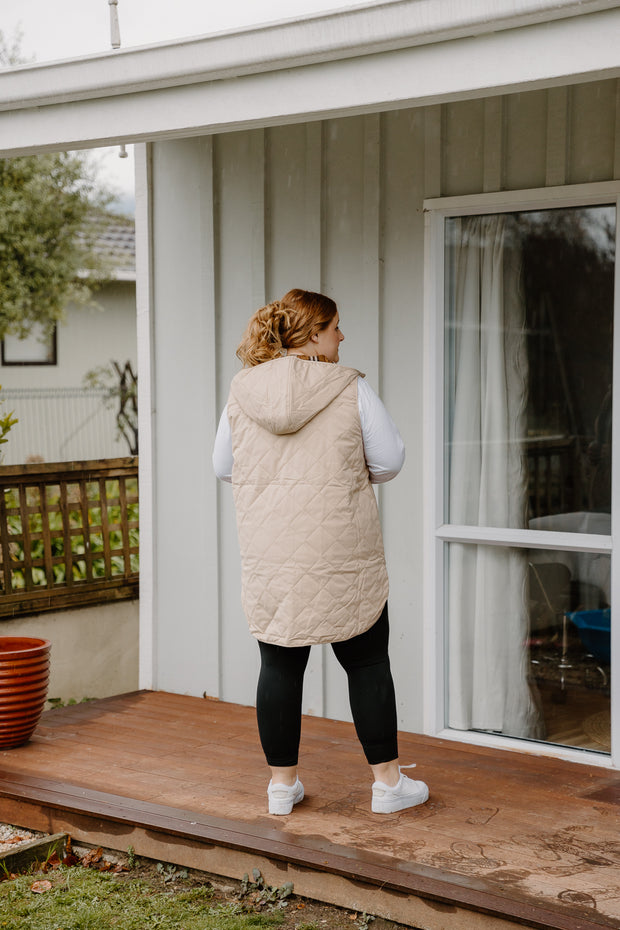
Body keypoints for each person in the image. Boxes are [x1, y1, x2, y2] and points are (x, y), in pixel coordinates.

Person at [213, 288, 429, 816]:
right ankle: (387, 786)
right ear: (313, 335)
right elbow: (391, 460)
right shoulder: (349, 387)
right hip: (342, 550)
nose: (342, 336)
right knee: (368, 662)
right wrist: (346, 477)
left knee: (280, 666)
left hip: (272, 553)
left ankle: (282, 789)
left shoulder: (243, 391)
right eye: (336, 327)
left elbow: (224, 466)